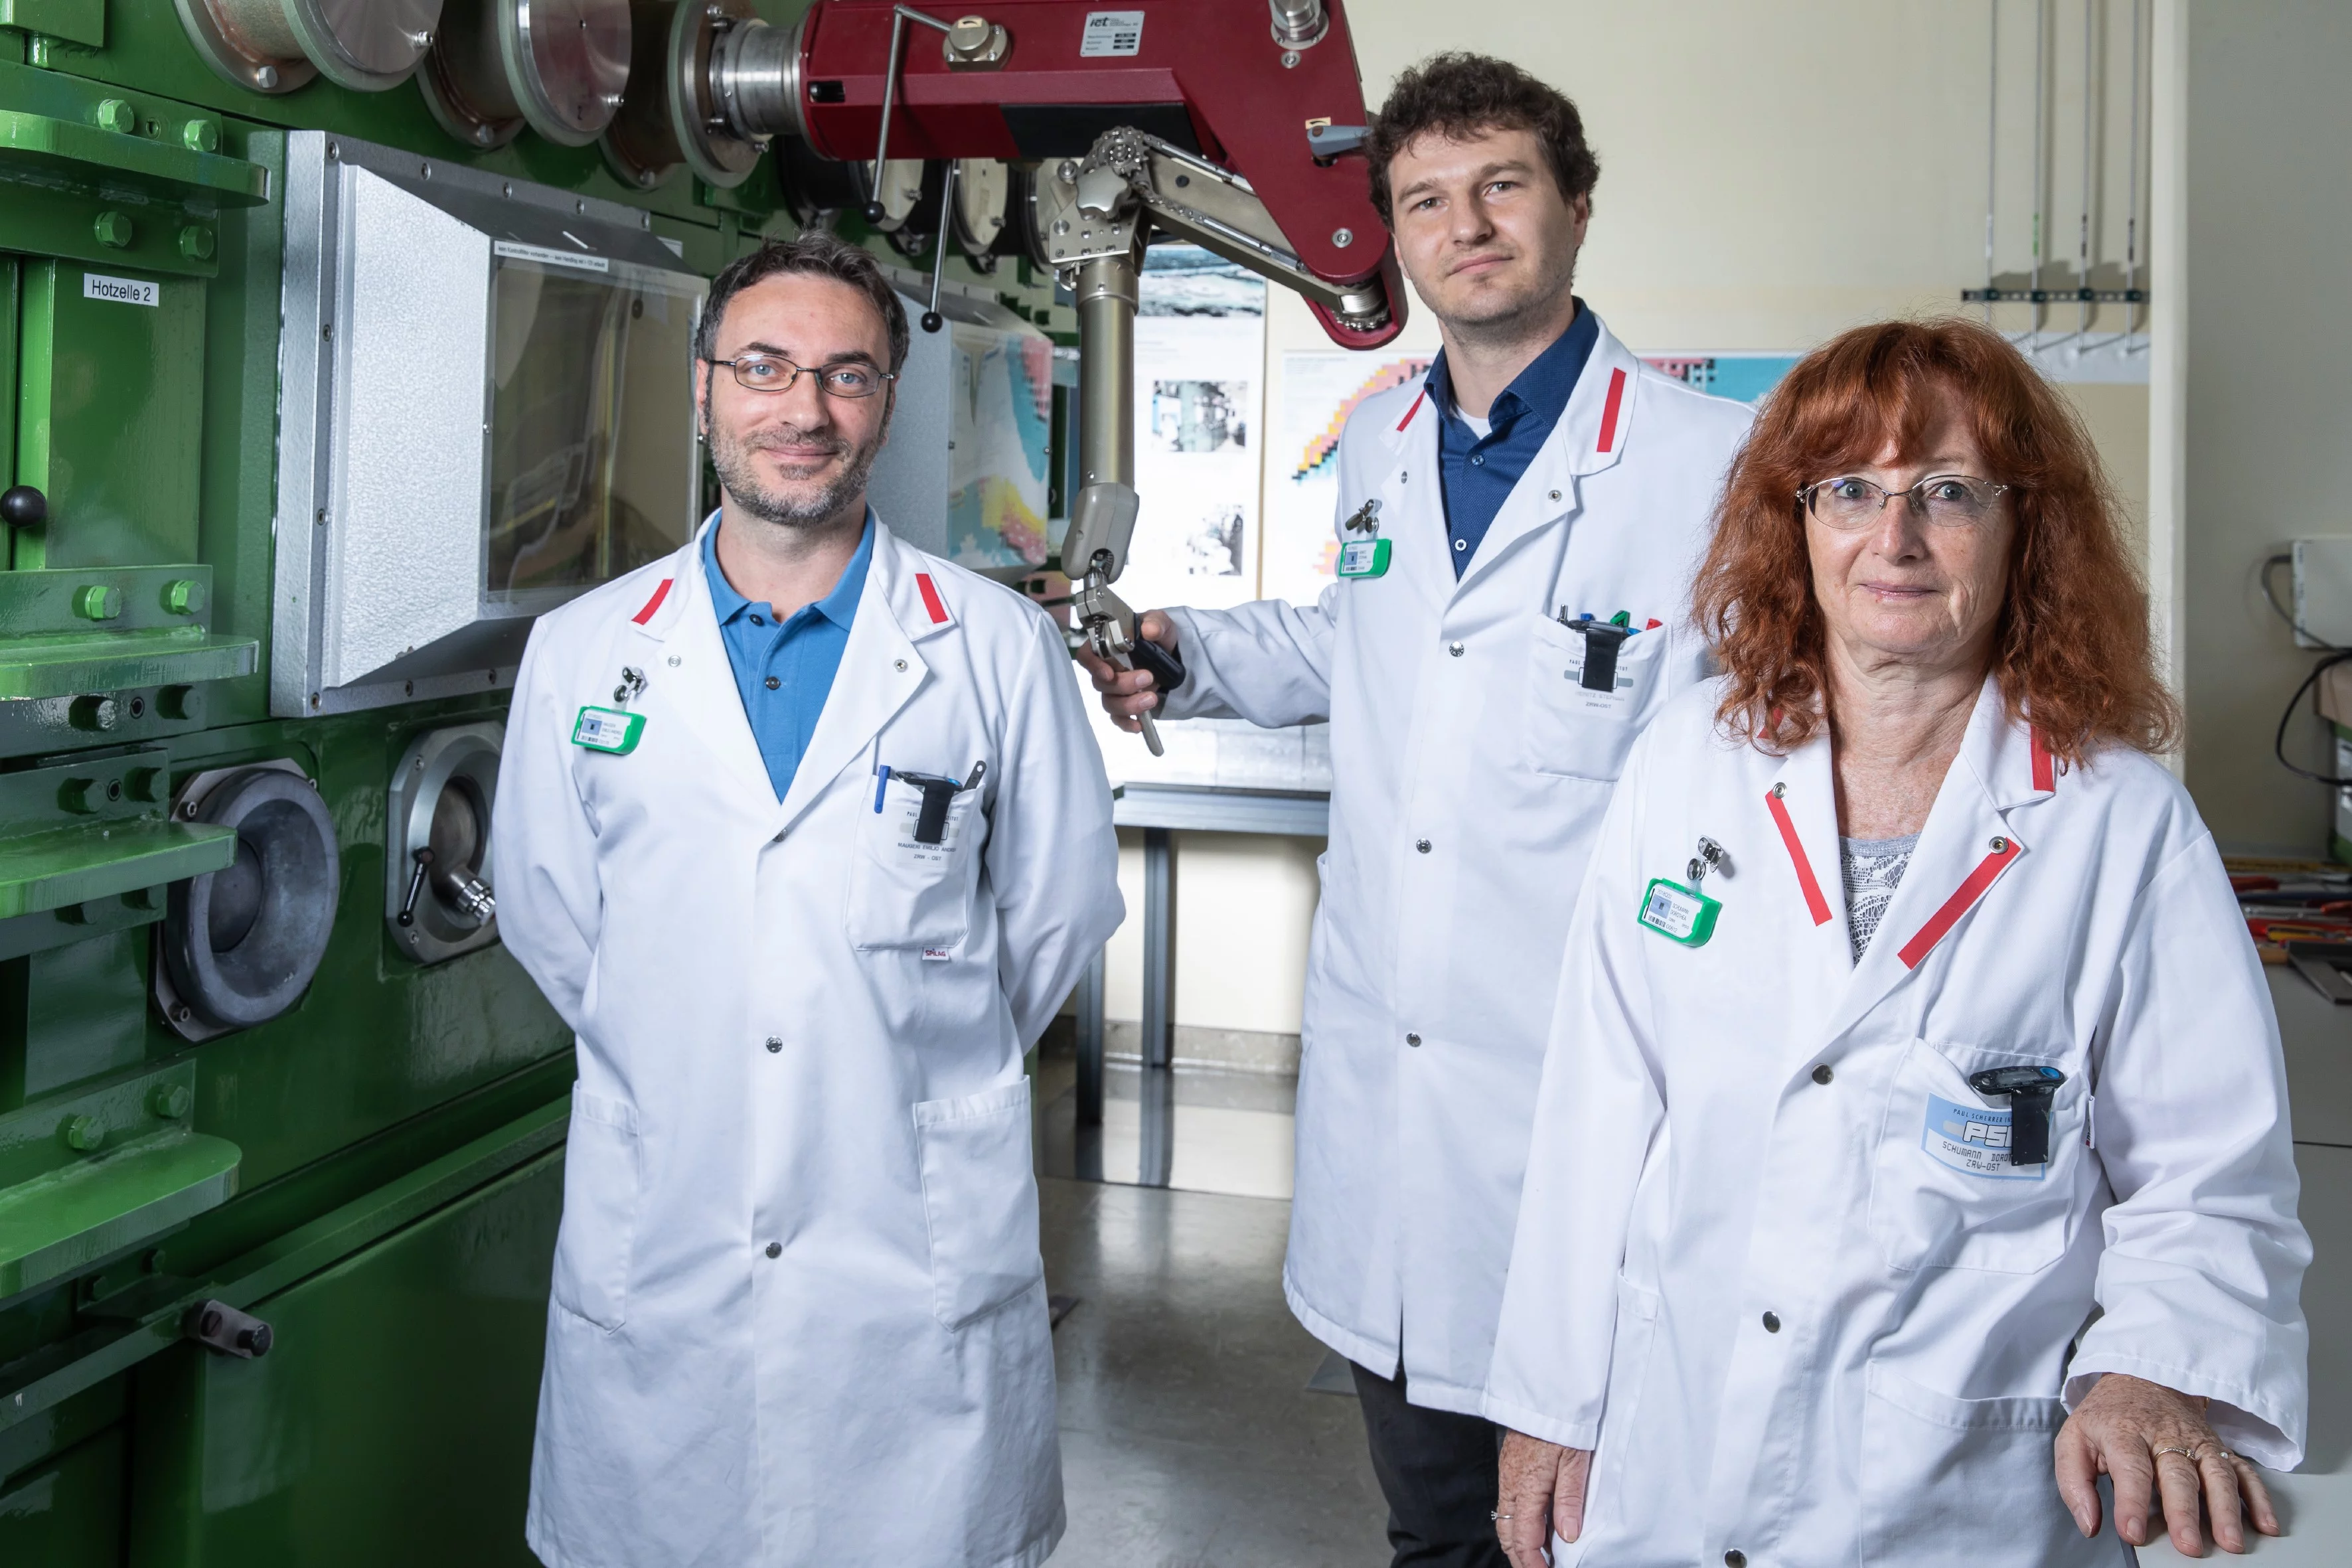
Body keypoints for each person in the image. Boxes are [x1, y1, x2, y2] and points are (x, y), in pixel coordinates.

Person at [1485, 319, 2310, 1567]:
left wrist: (2150, 1373)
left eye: (1945, 490)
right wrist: (1547, 1404)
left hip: (1957, 1492)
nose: (1895, 536)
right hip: (1676, 1442)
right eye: (1850, 490)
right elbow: (1593, 1108)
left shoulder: (2116, 819)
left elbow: (2207, 1171)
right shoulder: (1687, 762)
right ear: (1794, 523)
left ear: (2024, 524)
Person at [1082, 54, 1752, 1566]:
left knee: (1603, 1521)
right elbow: (1366, 638)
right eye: (1426, 201)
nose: (1468, 227)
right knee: (1436, 1525)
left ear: (1575, 207)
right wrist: (1192, 657)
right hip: (1395, 1093)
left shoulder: (1712, 468)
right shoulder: (1384, 439)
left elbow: (1761, 758)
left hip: (1593, 1084)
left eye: (1502, 185)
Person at [492, 233, 1122, 1568]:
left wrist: (888, 1041)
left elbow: (1058, 907)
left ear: (886, 402)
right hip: (664, 1232)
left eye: (845, 375)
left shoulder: (992, 646)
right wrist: (708, 1014)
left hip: (906, 1238)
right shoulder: (585, 649)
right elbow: (555, 919)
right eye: (765, 368)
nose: (803, 410)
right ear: (706, 384)